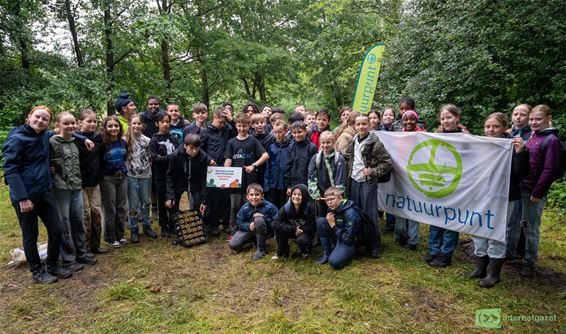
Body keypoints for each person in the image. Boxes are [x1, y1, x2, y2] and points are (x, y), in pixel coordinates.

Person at [3, 106, 76, 283]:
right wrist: (22, 198)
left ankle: (52, 264)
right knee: (31, 234)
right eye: (37, 117)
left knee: (56, 229)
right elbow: (10, 169)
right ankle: (36, 270)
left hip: (44, 191)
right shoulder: (17, 138)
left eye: (44, 119)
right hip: (25, 196)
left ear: (48, 123)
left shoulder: (46, 135)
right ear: (30, 117)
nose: (40, 121)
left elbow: (66, 132)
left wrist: (84, 139)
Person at [468, 112, 529, 288]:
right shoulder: (480, 145)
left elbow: (521, 174)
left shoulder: (514, 146)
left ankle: (494, 274)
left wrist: (521, 153)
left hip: (504, 197)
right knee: (478, 229)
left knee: (496, 233)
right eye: (488, 126)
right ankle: (480, 267)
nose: (491, 130)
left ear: (504, 127)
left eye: (495, 126)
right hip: (481, 195)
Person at [50, 111, 96, 271]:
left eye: (72, 123)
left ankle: (81, 253)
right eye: (66, 123)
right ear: (58, 125)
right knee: (64, 223)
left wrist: (84, 138)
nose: (70, 126)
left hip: (77, 186)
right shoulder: (52, 142)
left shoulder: (77, 141)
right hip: (61, 189)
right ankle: (68, 259)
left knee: (78, 220)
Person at [518, 104, 561, 277]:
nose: (534, 122)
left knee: (531, 227)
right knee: (520, 224)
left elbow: (550, 169)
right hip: (521, 187)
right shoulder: (533, 136)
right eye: (531, 119)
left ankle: (529, 261)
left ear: (548, 119)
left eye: (538, 119)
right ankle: (517, 254)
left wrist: (538, 192)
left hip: (533, 192)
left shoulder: (552, 140)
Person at [344, 115, 392, 258]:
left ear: (369, 125)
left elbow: (387, 162)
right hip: (353, 182)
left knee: (370, 214)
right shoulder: (353, 141)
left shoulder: (375, 144)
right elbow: (347, 156)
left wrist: (372, 171)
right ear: (355, 126)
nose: (361, 127)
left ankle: (374, 245)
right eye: (358, 124)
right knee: (355, 213)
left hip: (368, 183)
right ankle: (359, 241)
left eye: (364, 124)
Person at [425, 104, 467, 267]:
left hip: (456, 184)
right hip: (438, 182)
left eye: (449, 117)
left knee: (450, 218)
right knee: (435, 217)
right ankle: (433, 250)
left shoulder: (465, 138)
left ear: (457, 118)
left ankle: (446, 253)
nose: (445, 121)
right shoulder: (436, 136)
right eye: (443, 118)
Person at [224, 113, 269, 232]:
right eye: (239, 126)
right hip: (234, 182)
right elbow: (228, 161)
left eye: (244, 126)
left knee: (249, 207)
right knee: (234, 207)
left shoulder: (253, 140)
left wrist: (253, 165)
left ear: (249, 126)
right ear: (236, 125)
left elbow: (265, 155)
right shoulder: (231, 142)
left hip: (250, 180)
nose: (241, 128)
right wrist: (223, 179)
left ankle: (250, 230)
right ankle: (233, 230)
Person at [165, 134, 212, 233]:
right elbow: (170, 176)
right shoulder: (175, 155)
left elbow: (204, 179)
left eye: (197, 148)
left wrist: (204, 200)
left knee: (198, 203)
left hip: (195, 182)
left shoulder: (203, 157)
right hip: (179, 181)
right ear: (185, 146)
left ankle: (197, 225)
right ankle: (174, 225)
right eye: (191, 148)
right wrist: (170, 195)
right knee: (172, 203)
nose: (194, 151)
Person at [76, 108, 107, 254]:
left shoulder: (98, 137)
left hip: (95, 182)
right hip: (80, 183)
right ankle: (85, 248)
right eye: (89, 121)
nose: (92, 124)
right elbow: (61, 133)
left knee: (96, 213)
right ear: (79, 122)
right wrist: (83, 138)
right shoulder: (75, 137)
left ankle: (96, 245)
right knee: (85, 215)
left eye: (95, 121)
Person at [200, 107, 235, 234]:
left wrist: (230, 121)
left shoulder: (227, 128)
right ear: (214, 118)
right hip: (212, 169)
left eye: (224, 123)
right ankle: (213, 224)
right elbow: (200, 149)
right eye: (220, 122)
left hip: (226, 167)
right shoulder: (205, 131)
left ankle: (225, 223)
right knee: (213, 197)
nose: (222, 125)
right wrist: (208, 159)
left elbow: (237, 135)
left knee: (226, 197)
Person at [125, 114, 158, 243]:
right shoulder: (126, 140)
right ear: (130, 125)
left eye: (139, 124)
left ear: (142, 125)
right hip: (131, 176)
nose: (136, 126)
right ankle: (133, 228)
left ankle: (146, 226)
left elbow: (151, 156)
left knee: (146, 202)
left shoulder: (148, 140)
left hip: (146, 175)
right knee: (133, 204)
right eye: (134, 123)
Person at [394, 110, 424, 251]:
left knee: (413, 206)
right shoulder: (397, 135)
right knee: (399, 203)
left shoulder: (423, 135)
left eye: (412, 119)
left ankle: (413, 240)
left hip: (416, 176)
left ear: (416, 120)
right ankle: (400, 235)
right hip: (400, 175)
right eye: (406, 120)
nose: (409, 122)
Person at [505, 104, 532, 260]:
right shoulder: (507, 134)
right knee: (511, 219)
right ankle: (508, 250)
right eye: (515, 114)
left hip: (528, 183)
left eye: (522, 114)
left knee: (523, 221)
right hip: (511, 182)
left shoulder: (534, 135)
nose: (518, 117)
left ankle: (520, 251)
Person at [228, 184, 278, 260]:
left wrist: (264, 218)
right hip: (250, 231)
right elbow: (239, 223)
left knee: (258, 219)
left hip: (266, 231)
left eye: (257, 194)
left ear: (262, 196)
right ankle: (254, 242)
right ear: (247, 197)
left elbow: (277, 222)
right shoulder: (244, 208)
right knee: (233, 245)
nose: (254, 197)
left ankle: (261, 250)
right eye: (251, 195)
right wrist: (248, 226)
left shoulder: (270, 207)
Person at [149, 113, 180, 237]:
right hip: (160, 176)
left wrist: (165, 158)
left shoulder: (174, 138)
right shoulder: (154, 140)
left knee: (174, 200)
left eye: (167, 121)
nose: (165, 124)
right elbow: (156, 159)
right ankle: (164, 225)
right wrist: (171, 157)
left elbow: (179, 154)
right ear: (157, 123)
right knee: (162, 200)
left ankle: (174, 223)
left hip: (173, 176)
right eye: (162, 122)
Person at [315, 187, 362, 269]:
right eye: (327, 200)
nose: (330, 202)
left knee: (334, 262)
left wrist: (333, 225)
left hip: (349, 242)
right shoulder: (332, 207)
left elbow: (348, 239)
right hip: (339, 235)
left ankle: (353, 252)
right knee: (321, 221)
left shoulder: (350, 213)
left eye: (332, 199)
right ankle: (327, 254)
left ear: (340, 198)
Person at [100, 115, 129, 248]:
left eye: (116, 126)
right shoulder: (102, 144)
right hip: (108, 179)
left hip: (122, 177)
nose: (113, 128)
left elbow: (125, 157)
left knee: (121, 207)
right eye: (110, 126)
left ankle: (120, 234)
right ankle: (110, 237)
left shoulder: (123, 142)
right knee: (110, 208)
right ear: (105, 128)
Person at [308, 131, 347, 217]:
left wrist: (337, 194)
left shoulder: (339, 159)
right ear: (319, 143)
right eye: (323, 142)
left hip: (335, 195)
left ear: (334, 142)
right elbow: (311, 176)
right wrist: (315, 193)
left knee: (335, 216)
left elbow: (341, 178)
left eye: (328, 142)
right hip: (321, 194)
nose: (325, 145)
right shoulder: (316, 158)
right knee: (321, 215)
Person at [272, 184, 316, 259]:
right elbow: (275, 223)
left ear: (305, 196)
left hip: (304, 232)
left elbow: (312, 227)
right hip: (292, 230)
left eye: (300, 195)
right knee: (279, 230)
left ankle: (305, 250)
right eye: (294, 194)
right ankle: (283, 251)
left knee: (301, 240)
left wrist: (300, 230)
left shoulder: (310, 208)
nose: (296, 197)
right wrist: (293, 229)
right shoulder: (286, 207)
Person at [285, 121, 318, 196]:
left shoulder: (312, 147)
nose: (297, 135)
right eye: (294, 132)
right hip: (293, 183)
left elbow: (314, 169)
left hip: (306, 183)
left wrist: (312, 186)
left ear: (305, 131)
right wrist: (288, 186)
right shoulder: (291, 146)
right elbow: (288, 166)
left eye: (300, 132)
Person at [264, 120, 291, 209]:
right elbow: (267, 166)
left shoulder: (291, 146)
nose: (278, 135)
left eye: (280, 132)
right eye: (275, 132)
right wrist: (266, 184)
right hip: (273, 183)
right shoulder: (271, 147)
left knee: (284, 207)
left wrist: (289, 185)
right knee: (272, 206)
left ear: (286, 131)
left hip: (284, 183)